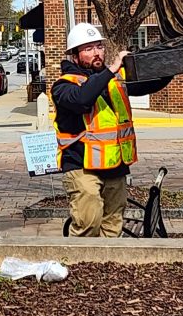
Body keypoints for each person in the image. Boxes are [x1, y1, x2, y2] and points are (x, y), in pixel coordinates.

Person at [52, 22, 171, 237]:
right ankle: (81, 266)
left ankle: (107, 267)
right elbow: (82, 99)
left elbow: (148, 84)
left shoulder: (113, 79)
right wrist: (111, 70)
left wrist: (172, 66)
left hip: (114, 165)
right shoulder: (64, 85)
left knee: (113, 225)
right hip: (81, 166)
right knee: (89, 222)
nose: (97, 53)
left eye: (99, 46)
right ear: (74, 55)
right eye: (88, 49)